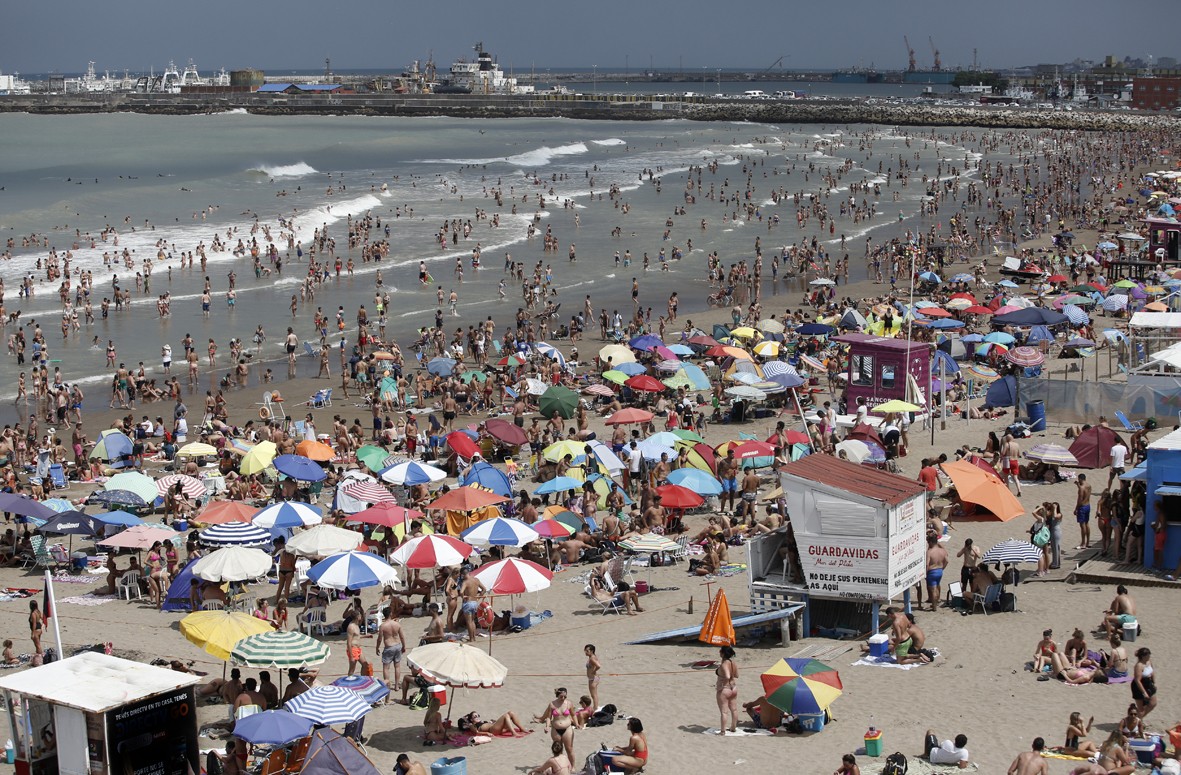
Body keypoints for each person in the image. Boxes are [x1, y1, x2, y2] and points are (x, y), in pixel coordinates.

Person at [534, 687, 575, 767]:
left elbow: (573, 715)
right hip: (555, 729)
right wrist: (547, 726)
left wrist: (577, 724)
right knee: (558, 749)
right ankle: (561, 766)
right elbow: (549, 717)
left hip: (567, 729)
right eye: (561, 696)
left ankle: (572, 766)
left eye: (565, 696)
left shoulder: (569, 703)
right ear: (557, 695)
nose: (563, 698)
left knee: (569, 749)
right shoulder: (552, 704)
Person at [377, 606, 408, 691]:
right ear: (390, 614)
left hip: (389, 646)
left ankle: (387, 685)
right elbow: (402, 637)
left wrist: (377, 647)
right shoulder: (397, 624)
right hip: (397, 645)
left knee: (386, 668)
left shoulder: (383, 626)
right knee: (397, 666)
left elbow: (379, 639)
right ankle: (396, 686)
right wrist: (404, 646)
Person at [715, 645, 739, 735]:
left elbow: (727, 676)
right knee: (734, 709)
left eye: (720, 651)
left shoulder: (724, 664)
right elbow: (737, 675)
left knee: (724, 712)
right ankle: (733, 727)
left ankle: (722, 731)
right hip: (734, 688)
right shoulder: (733, 663)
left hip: (724, 688)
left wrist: (721, 672)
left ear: (723, 653)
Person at [457, 709, 528, 736]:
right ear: (471, 720)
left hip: (499, 728)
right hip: (493, 730)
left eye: (478, 715)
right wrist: (486, 733)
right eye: (475, 716)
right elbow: (477, 732)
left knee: (511, 713)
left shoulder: (483, 722)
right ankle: (514, 733)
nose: (477, 717)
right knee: (506, 715)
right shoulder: (472, 725)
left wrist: (494, 722)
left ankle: (522, 729)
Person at [1131, 647, 1157, 719]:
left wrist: (1154, 682)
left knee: (1153, 703)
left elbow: (1152, 671)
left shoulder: (1149, 661)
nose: (1149, 656)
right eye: (1148, 655)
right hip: (1139, 686)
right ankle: (1137, 721)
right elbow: (1137, 680)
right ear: (1143, 656)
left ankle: (1137, 719)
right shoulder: (1139, 666)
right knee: (1141, 709)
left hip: (1148, 683)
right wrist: (1144, 692)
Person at [1075, 474, 1092, 550]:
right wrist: (1078, 485)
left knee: (1082, 525)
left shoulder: (1081, 488)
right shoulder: (1089, 486)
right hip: (1088, 505)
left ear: (1080, 479)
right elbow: (1085, 493)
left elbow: (1080, 499)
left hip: (1082, 507)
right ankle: (1088, 542)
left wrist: (1076, 509)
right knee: (1087, 523)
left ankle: (1083, 543)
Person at [585, 643, 602, 710]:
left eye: (587, 651)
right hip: (593, 678)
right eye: (585, 650)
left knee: (593, 695)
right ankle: (595, 706)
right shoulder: (592, 657)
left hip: (593, 678)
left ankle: (595, 708)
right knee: (594, 694)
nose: (586, 652)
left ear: (592, 651)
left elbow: (598, 666)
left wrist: (593, 671)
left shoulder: (592, 658)